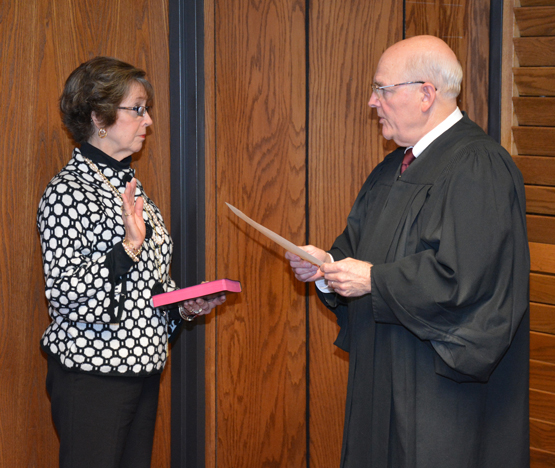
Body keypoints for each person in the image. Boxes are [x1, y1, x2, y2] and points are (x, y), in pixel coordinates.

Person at [286, 36, 530, 468]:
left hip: (439, 391)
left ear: (426, 94)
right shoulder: (393, 168)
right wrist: (324, 269)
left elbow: (466, 281)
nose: (371, 102)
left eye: (382, 89)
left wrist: (374, 281)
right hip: (382, 377)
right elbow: (353, 252)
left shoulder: (478, 165)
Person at [36, 56, 225, 468]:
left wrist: (184, 304)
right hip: (92, 375)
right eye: (137, 109)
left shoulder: (130, 186)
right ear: (99, 117)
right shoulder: (68, 192)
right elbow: (65, 294)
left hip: (141, 369)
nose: (149, 121)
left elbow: (148, 284)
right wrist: (126, 248)